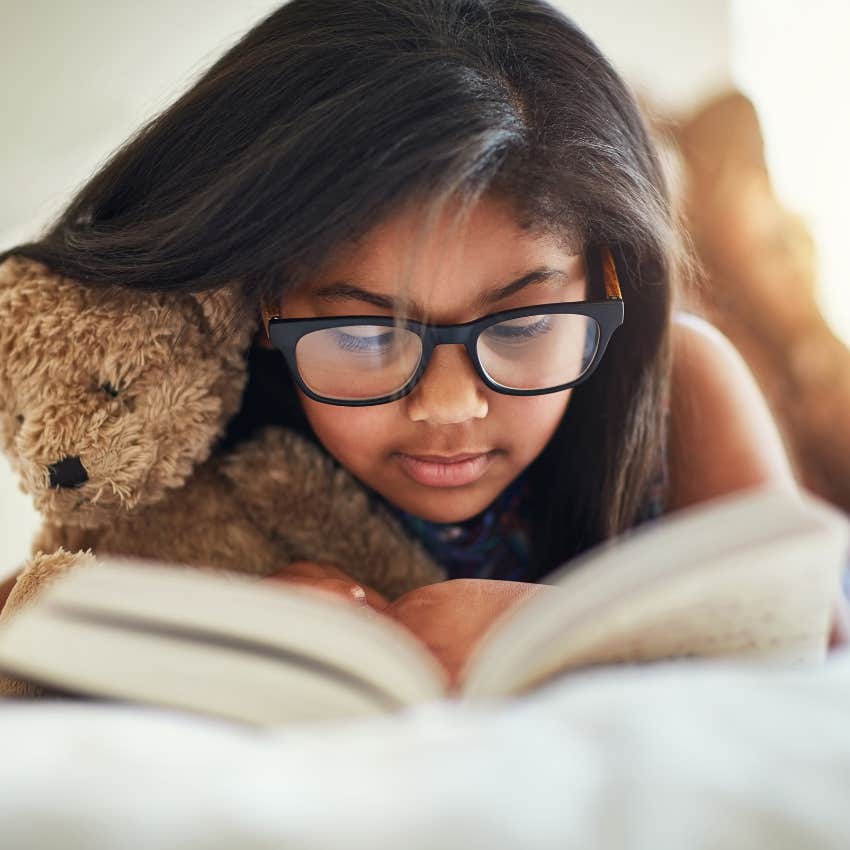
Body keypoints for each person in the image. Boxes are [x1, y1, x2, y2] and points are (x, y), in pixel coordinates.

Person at [1, 0, 846, 682]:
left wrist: (556, 631)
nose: (448, 407)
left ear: (607, 283)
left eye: (521, 325)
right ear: (263, 304)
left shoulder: (681, 381)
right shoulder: (209, 432)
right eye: (365, 333)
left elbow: (808, 618)